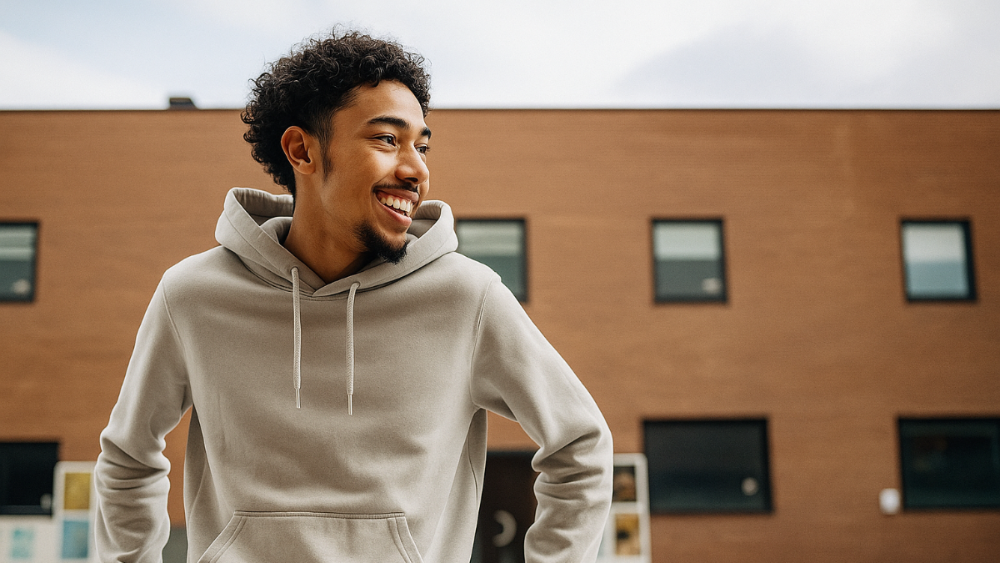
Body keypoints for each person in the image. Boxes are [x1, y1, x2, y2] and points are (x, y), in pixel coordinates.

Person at [95, 30, 613, 563]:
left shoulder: (467, 297)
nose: (416, 170)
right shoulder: (194, 296)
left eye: (422, 145)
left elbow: (580, 447)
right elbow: (127, 458)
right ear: (302, 150)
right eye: (388, 140)